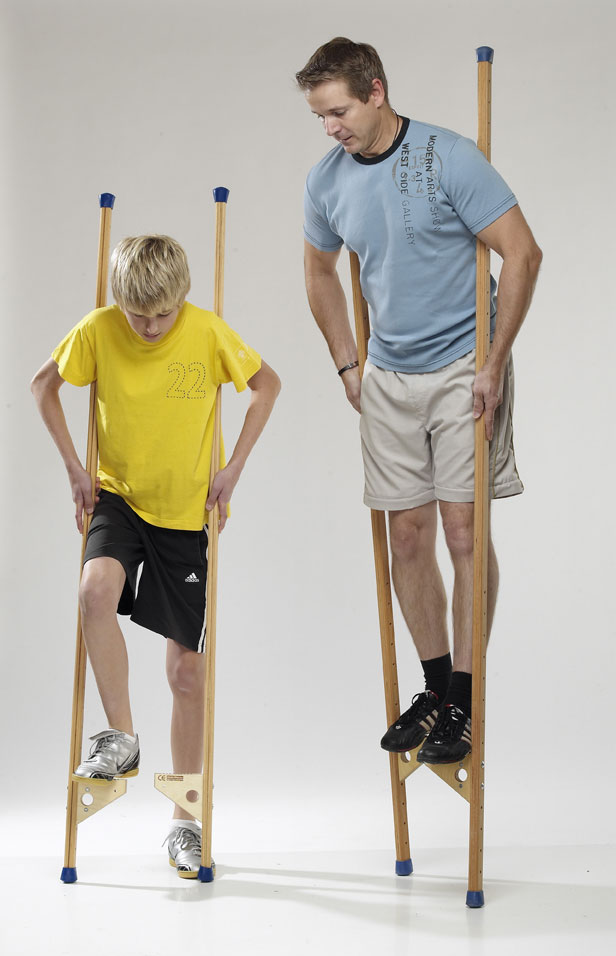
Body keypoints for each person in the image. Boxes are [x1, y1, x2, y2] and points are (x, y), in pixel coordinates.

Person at [296, 38, 542, 764]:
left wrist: (495, 361)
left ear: (375, 91)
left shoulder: (449, 157)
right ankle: (434, 689)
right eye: (319, 116)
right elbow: (318, 272)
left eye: (339, 111)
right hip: (389, 378)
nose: (330, 128)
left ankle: (464, 696)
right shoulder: (325, 181)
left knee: (463, 533)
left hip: (466, 366)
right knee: (406, 538)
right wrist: (348, 364)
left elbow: (523, 253)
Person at [31, 234, 280, 876]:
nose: (148, 326)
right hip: (117, 498)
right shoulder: (98, 329)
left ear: (181, 299)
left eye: (162, 314)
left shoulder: (206, 331)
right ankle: (121, 737)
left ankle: (184, 821)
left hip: (184, 515)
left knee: (186, 675)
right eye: (137, 313)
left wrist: (233, 468)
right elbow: (43, 386)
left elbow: (266, 385)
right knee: (93, 593)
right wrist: (75, 468)